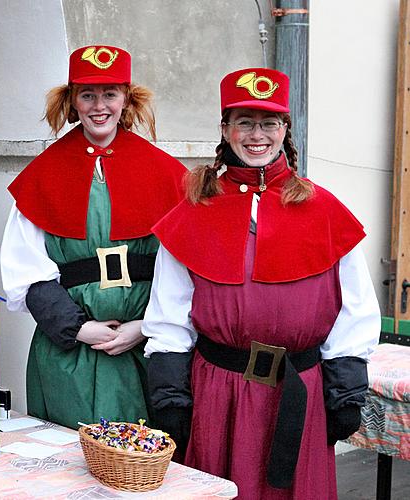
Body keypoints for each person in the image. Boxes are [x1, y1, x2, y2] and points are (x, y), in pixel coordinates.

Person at [142, 67, 380, 498]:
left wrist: (346, 388)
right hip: (220, 393)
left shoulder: (325, 210)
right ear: (226, 130)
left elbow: (357, 306)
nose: (257, 135)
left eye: (269, 123)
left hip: (299, 392)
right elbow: (168, 310)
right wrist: (170, 395)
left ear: (284, 129)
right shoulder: (193, 214)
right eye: (245, 122)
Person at [1, 45, 186, 429]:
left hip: (144, 347)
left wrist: (147, 325)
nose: (98, 106)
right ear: (72, 102)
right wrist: (79, 328)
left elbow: (182, 267)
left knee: (142, 470)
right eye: (87, 95)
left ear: (126, 100)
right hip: (68, 352)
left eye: (109, 95)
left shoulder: (166, 173)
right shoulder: (44, 174)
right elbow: (27, 271)